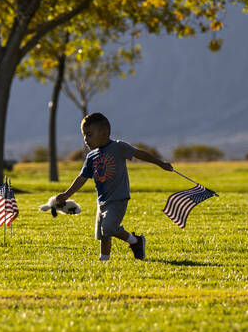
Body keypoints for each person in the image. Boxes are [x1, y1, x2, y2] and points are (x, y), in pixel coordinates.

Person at [53, 112, 172, 261]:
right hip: (101, 201)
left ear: (104, 133)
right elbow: (82, 178)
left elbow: (139, 154)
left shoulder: (118, 147)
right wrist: (66, 195)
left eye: (89, 135)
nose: (85, 139)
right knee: (103, 235)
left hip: (118, 198)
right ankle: (104, 260)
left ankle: (136, 241)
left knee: (109, 227)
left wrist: (160, 163)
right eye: (84, 135)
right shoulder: (91, 157)